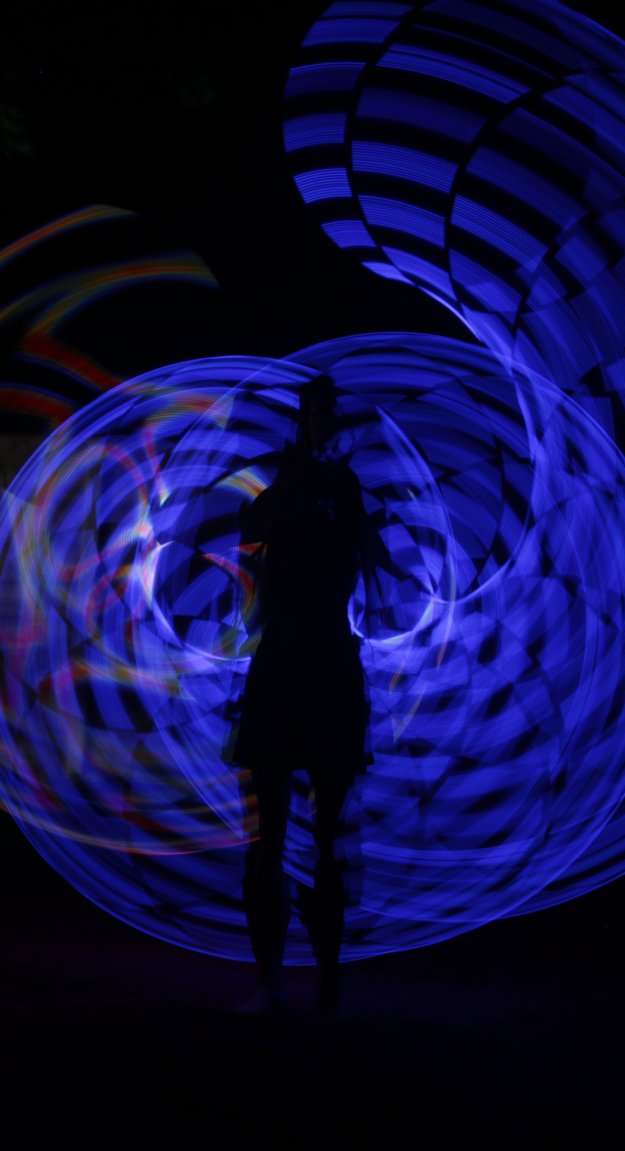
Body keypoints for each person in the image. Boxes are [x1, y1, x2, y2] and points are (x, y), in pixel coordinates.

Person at [230, 374, 375, 1018]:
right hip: (308, 667)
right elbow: (255, 597)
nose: (321, 424)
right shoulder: (313, 495)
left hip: (306, 666)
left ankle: (313, 986)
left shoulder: (314, 495)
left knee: (316, 834)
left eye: (325, 413)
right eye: (317, 413)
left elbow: (251, 605)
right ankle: (291, 984)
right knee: (288, 835)